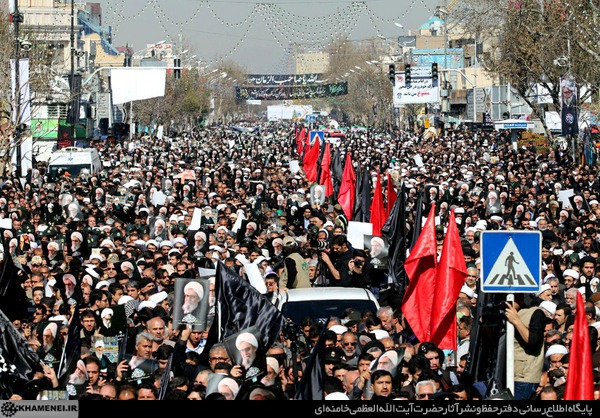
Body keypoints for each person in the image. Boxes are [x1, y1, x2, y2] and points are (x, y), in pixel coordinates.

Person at [505, 293, 546, 400]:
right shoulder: (503, 314)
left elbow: (533, 341)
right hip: (505, 373)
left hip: (524, 377)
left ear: (520, 298)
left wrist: (516, 320)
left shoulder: (535, 313)